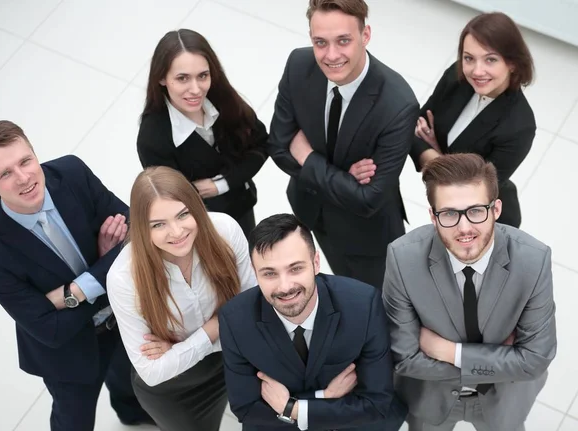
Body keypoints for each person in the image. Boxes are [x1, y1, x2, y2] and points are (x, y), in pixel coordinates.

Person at [0, 121, 152, 431]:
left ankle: (130, 411)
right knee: (73, 420)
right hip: (68, 352)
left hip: (122, 318)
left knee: (129, 380)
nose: (24, 178)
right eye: (5, 174)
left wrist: (76, 290)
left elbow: (136, 232)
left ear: (34, 153)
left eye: (25, 161)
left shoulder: (70, 172)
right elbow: (49, 329)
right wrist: (104, 268)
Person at [382, 153, 556, 430]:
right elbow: (404, 359)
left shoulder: (534, 261)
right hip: (430, 398)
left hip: (504, 400)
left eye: (476, 210)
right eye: (449, 213)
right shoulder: (402, 258)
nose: (464, 228)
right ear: (432, 216)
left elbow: (534, 361)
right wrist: (503, 361)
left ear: (496, 209)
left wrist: (450, 352)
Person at [268, 0, 418, 289]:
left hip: (366, 236)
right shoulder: (299, 65)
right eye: (320, 42)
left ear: (366, 35)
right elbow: (278, 146)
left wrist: (308, 157)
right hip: (311, 210)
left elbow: (367, 199)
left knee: (375, 303)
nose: (331, 55)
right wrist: (343, 178)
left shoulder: (398, 105)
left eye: (343, 41)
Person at [219, 213, 408, 431]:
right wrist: (325, 396)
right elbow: (247, 411)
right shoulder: (235, 320)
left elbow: (376, 404)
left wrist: (292, 408)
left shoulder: (363, 305)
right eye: (269, 273)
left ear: (316, 263)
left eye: (296, 268)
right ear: (255, 274)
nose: (284, 286)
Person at [106, 166, 257, 431]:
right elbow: (152, 373)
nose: (176, 232)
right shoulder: (123, 277)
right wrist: (215, 326)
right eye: (158, 225)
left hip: (237, 359)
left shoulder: (225, 230)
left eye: (183, 214)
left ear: (196, 207)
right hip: (177, 389)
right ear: (142, 228)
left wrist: (181, 347)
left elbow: (252, 313)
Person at [136, 29, 269, 238]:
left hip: (241, 207)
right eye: (182, 78)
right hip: (201, 228)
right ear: (161, 78)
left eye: (203, 76)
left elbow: (261, 144)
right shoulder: (152, 139)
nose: (196, 89)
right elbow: (169, 200)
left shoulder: (224, 100)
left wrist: (221, 184)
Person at [409, 12, 536, 228]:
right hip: (447, 207)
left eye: (490, 59)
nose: (476, 71)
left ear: (513, 63)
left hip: (483, 218)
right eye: (469, 58)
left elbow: (472, 192)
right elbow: (414, 126)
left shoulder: (519, 127)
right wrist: (447, 165)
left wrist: (435, 158)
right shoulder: (456, 77)